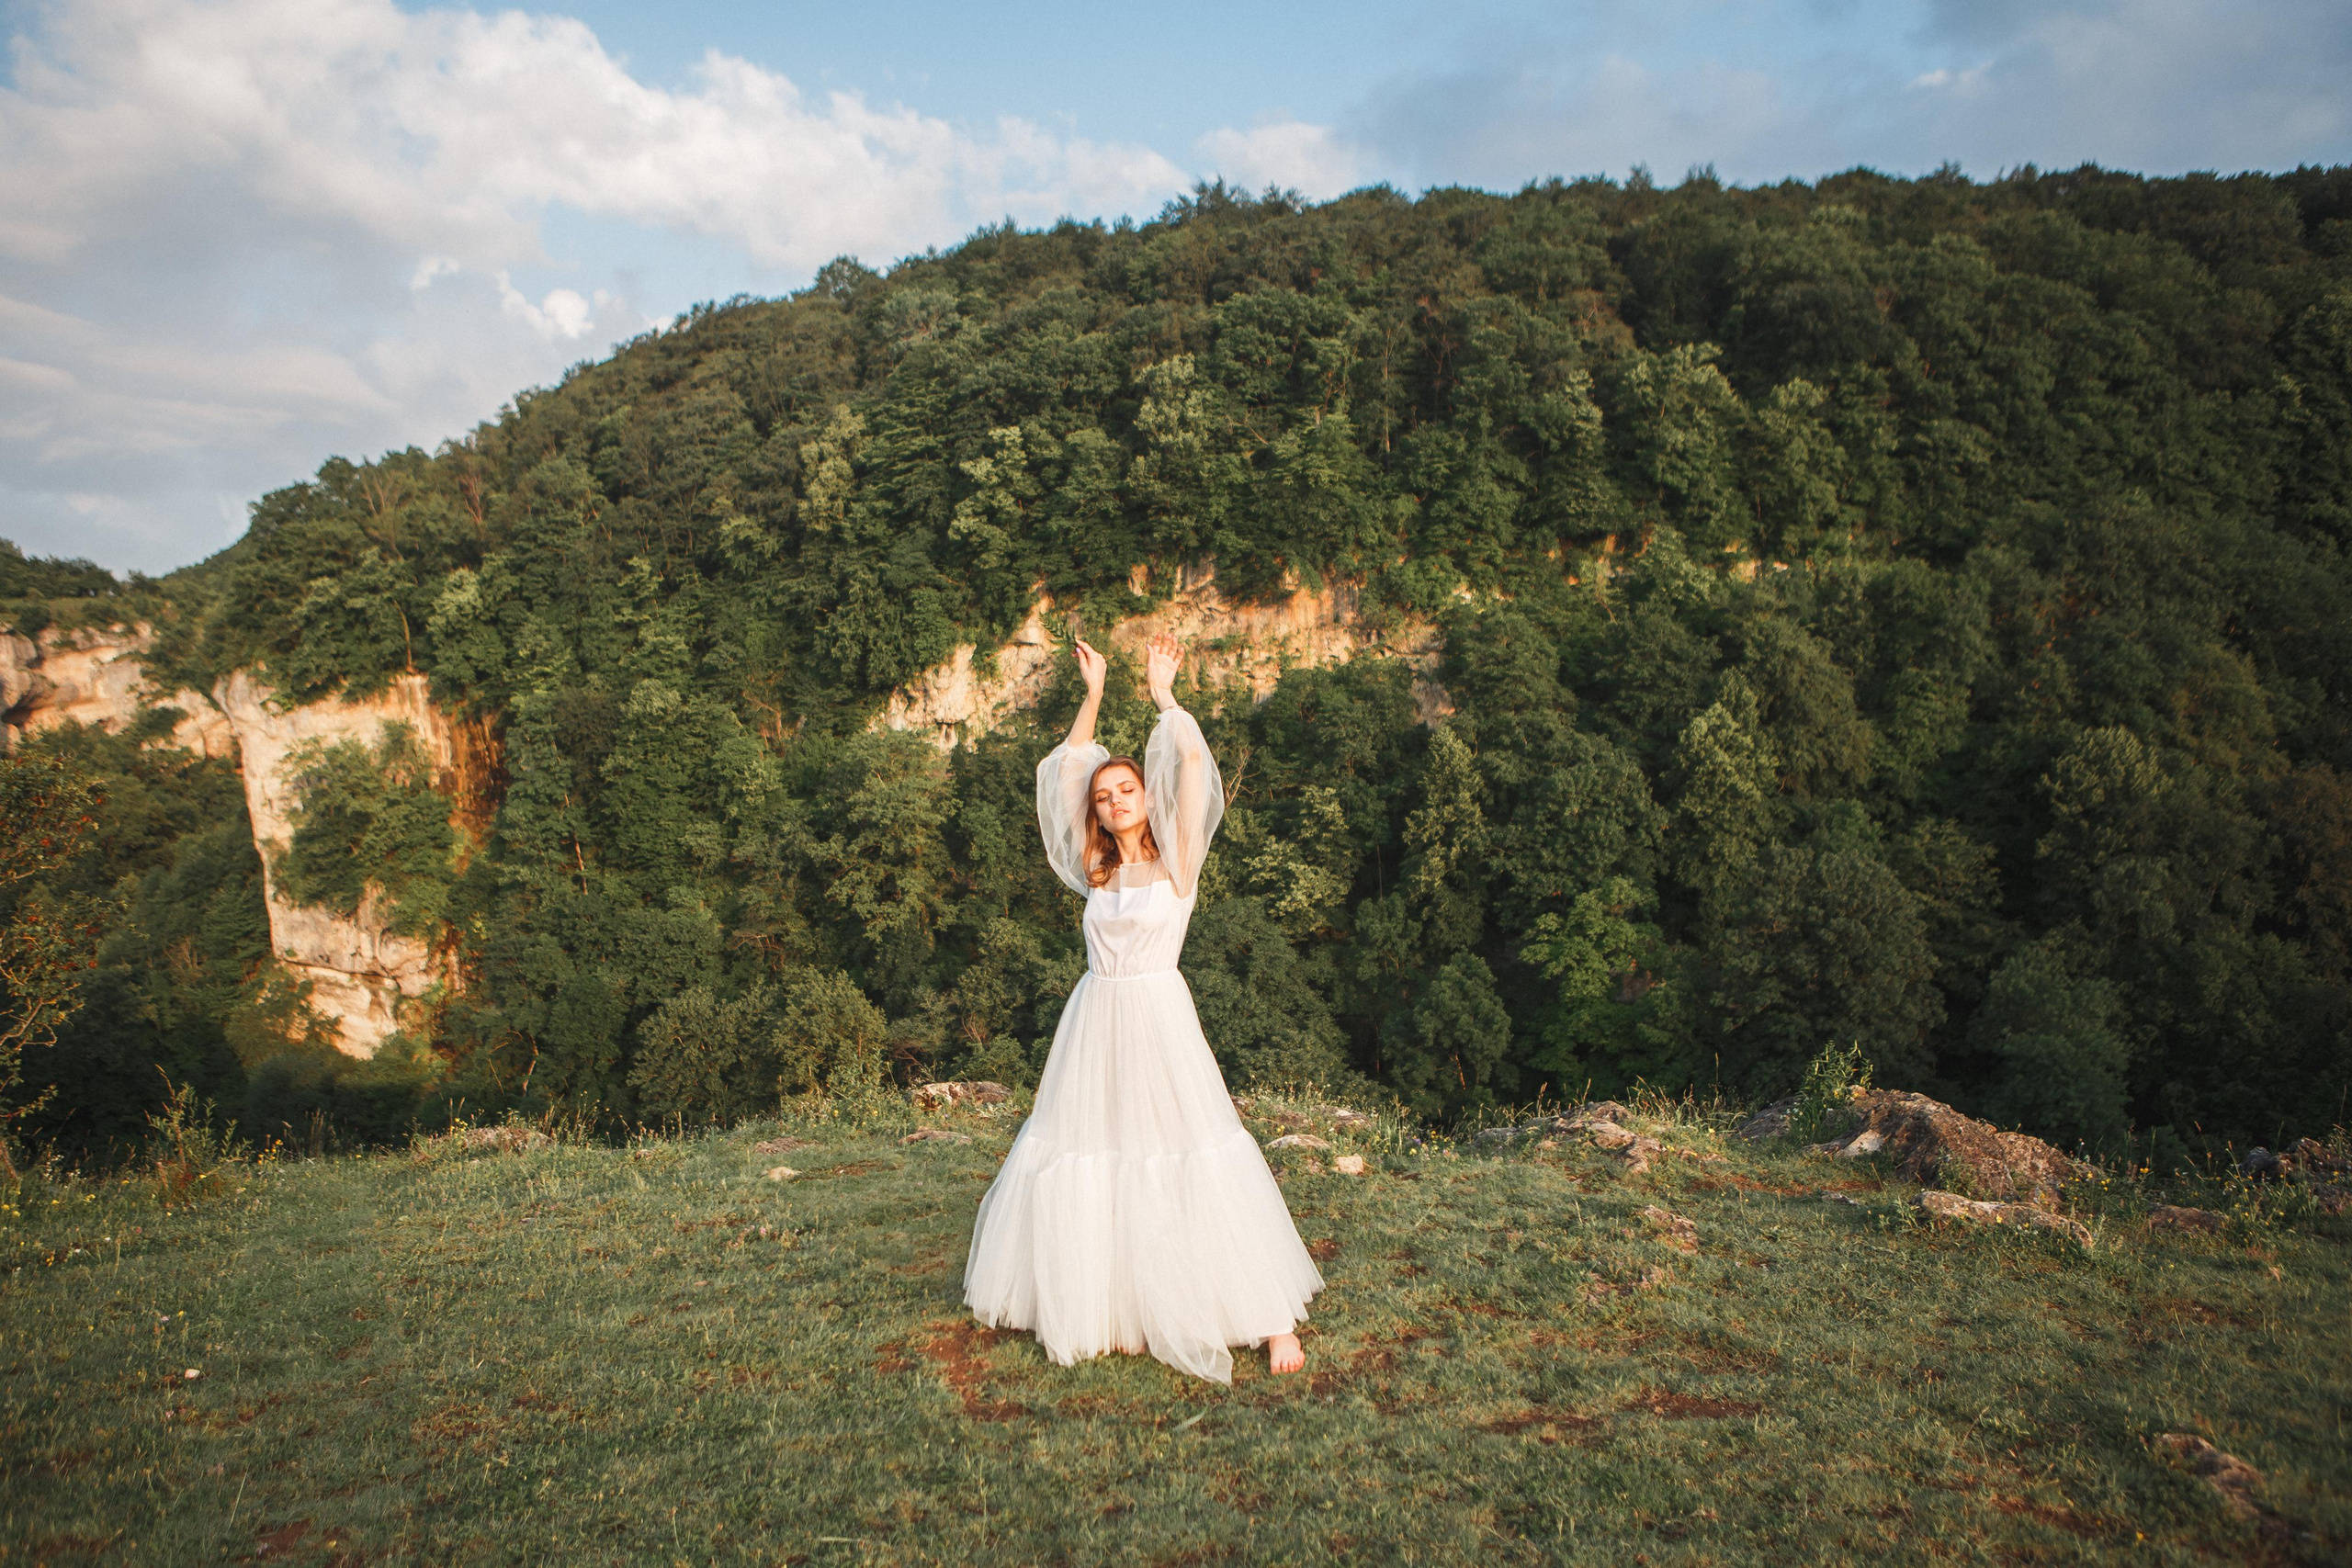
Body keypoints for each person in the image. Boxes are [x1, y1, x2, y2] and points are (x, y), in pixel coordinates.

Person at [962, 632, 1323, 1382]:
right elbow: (1066, 769)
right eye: (1105, 795)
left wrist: (1164, 695)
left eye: (1125, 788)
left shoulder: (1180, 858)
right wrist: (1092, 696)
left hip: (1160, 1015)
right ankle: (1120, 1303)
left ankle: (1268, 1319)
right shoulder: (1094, 869)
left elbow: (1191, 762)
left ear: (1146, 798)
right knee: (1103, 1152)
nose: (1114, 798)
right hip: (1096, 1020)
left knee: (1194, 1147)